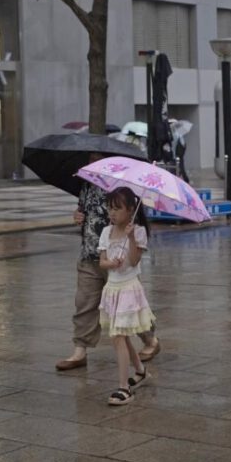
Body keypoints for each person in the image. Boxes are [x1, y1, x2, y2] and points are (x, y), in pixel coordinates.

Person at [56, 159, 159, 372]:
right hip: (91, 253)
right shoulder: (87, 184)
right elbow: (82, 210)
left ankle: (150, 339)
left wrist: (130, 238)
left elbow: (133, 214)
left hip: (121, 262)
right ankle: (80, 350)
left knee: (131, 306)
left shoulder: (124, 186)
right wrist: (77, 216)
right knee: (84, 302)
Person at [98, 187, 156, 405]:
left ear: (131, 210)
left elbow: (134, 260)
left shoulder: (138, 232)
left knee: (118, 336)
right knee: (120, 334)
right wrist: (111, 263)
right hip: (112, 289)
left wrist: (131, 238)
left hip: (128, 289)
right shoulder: (106, 232)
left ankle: (124, 388)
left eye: (117, 208)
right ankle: (140, 371)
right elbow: (102, 261)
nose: (112, 213)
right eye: (110, 208)